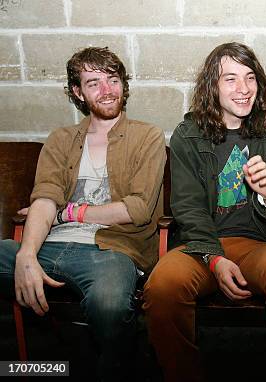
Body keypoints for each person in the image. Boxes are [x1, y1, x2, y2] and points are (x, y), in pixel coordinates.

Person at [143, 42, 266, 382]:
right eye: (231, 79)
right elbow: (187, 208)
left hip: (261, 243)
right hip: (202, 245)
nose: (244, 89)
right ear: (212, 85)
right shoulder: (188, 134)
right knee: (162, 287)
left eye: (250, 78)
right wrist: (214, 259)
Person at [0, 46, 166, 379]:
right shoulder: (61, 139)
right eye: (94, 83)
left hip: (112, 250)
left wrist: (68, 213)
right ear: (78, 92)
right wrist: (27, 256)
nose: (107, 91)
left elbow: (136, 209)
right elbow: (45, 198)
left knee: (110, 305)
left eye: (113, 80)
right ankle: (28, 368)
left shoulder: (146, 136)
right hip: (49, 245)